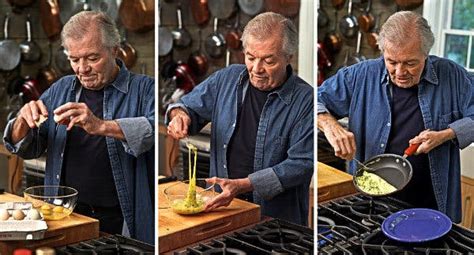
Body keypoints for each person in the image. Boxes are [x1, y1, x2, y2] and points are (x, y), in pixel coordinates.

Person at [3, 11, 155, 243]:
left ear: (114, 50)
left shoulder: (145, 89)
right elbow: (27, 148)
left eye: (92, 58)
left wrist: (101, 126)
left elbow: (152, 130)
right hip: (66, 214)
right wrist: (22, 121)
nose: (82, 68)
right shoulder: (61, 88)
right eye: (74, 59)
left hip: (123, 218)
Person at [318, 11, 473, 222]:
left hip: (432, 206)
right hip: (367, 207)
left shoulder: (452, 75)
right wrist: (330, 126)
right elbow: (313, 101)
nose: (400, 71)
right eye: (391, 61)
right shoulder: (360, 75)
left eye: (410, 63)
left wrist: (447, 134)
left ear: (426, 54)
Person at [166, 12, 314, 226]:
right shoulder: (226, 78)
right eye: (250, 57)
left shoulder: (305, 100)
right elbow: (185, 107)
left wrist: (245, 184)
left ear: (288, 57)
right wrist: (179, 116)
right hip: (221, 212)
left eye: (268, 60)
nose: (256, 69)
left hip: (276, 223)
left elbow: (301, 163)